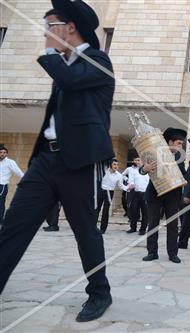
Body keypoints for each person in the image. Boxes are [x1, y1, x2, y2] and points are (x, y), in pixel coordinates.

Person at [0, 0, 114, 321]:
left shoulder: (97, 60)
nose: (44, 34)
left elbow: (72, 81)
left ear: (69, 28)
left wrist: (52, 51)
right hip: (44, 163)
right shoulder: (65, 67)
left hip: (79, 161)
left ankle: (99, 292)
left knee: (84, 230)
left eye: (49, 27)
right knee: (14, 225)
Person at [142, 128, 187, 263]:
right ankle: (152, 252)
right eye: (179, 143)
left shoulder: (179, 156)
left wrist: (184, 179)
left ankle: (173, 253)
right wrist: (144, 169)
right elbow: (143, 168)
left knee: (173, 225)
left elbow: (183, 173)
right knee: (153, 224)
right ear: (170, 142)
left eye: (181, 144)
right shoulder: (154, 151)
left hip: (173, 196)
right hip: (155, 194)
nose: (181, 146)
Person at [96, 159, 127, 234]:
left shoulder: (119, 175)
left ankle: (102, 229)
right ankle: (92, 227)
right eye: (114, 164)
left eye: (117, 164)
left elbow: (120, 185)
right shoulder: (104, 171)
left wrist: (128, 188)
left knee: (106, 210)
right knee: (96, 209)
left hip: (110, 193)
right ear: (110, 165)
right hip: (101, 190)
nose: (116, 166)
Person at [0, 145, 24, 225]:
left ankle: (0, 220)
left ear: (6, 154)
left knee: (0, 203)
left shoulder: (10, 162)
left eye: (4, 153)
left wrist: (26, 180)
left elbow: (18, 172)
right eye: (1, 152)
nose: (2, 154)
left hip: (2, 185)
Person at [126, 157, 149, 235]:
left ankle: (143, 229)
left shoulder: (149, 172)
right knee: (134, 212)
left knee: (145, 213)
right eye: (137, 161)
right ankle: (133, 227)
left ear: (143, 162)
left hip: (145, 194)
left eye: (139, 161)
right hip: (135, 193)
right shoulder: (133, 171)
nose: (138, 162)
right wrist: (130, 185)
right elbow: (131, 181)